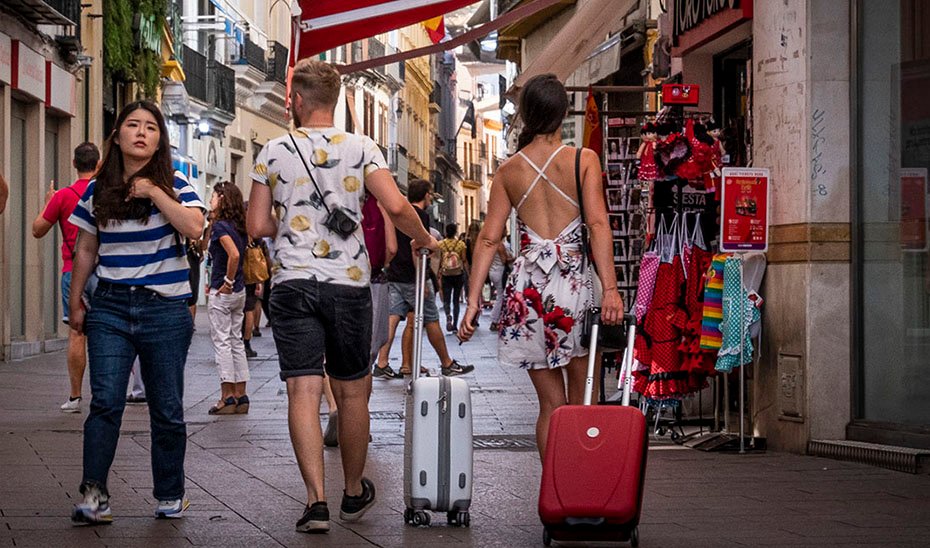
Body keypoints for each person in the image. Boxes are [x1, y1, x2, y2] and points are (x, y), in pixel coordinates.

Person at [246, 59, 438, 534]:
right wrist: (423, 239)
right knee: (353, 391)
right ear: (334, 102)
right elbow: (396, 206)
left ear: (296, 100)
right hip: (348, 285)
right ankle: (353, 491)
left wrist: (289, 223)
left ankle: (316, 502)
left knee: (303, 391)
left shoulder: (272, 150)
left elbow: (256, 224)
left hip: (292, 284)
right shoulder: (362, 147)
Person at [458, 74, 623, 459]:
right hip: (573, 286)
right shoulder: (583, 160)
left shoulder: (508, 171)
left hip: (528, 290)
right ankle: (581, 484)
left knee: (550, 405)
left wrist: (473, 300)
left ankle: (554, 486)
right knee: (583, 402)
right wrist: (612, 290)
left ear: (526, 115)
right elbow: (598, 225)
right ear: (563, 113)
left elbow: (489, 239)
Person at [67, 101, 205, 524]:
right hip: (110, 306)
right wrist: (75, 300)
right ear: (118, 135)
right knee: (106, 402)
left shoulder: (177, 183)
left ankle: (170, 494)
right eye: (132, 125)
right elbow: (86, 248)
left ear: (160, 140)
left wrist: (154, 193)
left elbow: (195, 227)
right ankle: (94, 497)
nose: (141, 132)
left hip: (165, 309)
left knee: (166, 406)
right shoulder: (96, 190)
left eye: (150, 127)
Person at [376, 179, 474, 378]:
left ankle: (382, 362)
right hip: (415, 277)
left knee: (392, 318)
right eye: (430, 194)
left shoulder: (396, 214)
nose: (431, 198)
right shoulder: (419, 216)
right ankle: (447, 363)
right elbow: (419, 247)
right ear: (426, 195)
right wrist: (422, 279)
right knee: (431, 319)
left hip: (395, 275)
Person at [32, 142, 100, 413]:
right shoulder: (104, 193)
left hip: (73, 271)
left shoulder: (63, 196)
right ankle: (105, 394)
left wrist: (48, 203)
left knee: (76, 333)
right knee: (108, 333)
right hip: (104, 272)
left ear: (74, 164)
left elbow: (37, 230)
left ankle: (75, 397)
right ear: (98, 165)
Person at [205, 182, 250, 415]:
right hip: (240, 291)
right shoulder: (239, 225)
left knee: (222, 342)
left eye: (213, 196)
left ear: (222, 198)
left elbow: (233, 254)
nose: (210, 200)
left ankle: (227, 396)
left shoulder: (221, 226)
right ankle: (241, 394)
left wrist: (227, 282)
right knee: (236, 341)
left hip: (223, 291)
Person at [438, 223, 467, 333]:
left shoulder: (441, 244)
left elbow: (439, 260)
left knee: (446, 299)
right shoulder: (461, 244)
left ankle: (448, 316)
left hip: (446, 274)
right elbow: (464, 259)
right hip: (458, 274)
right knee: (456, 300)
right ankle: (455, 324)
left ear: (446, 231)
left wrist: (438, 272)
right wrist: (468, 273)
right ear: (455, 232)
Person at [487, 239, 513, 332]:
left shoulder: (491, 244)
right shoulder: (500, 245)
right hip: (500, 272)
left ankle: (496, 319)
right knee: (500, 296)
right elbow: (504, 260)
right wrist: (515, 258)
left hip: (493, 271)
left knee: (500, 295)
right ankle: (494, 320)